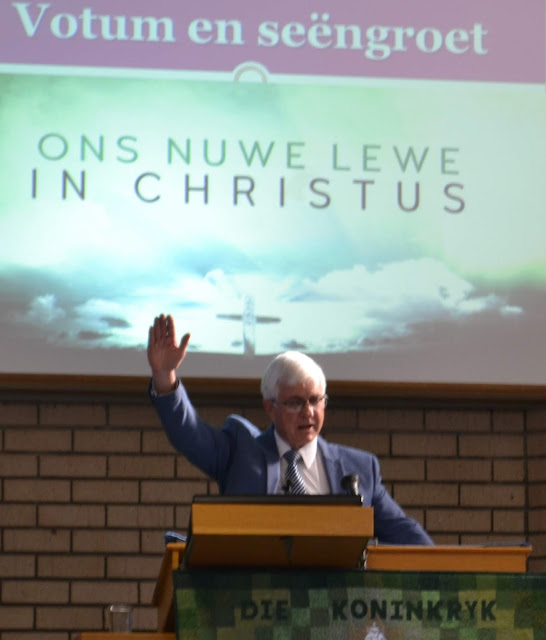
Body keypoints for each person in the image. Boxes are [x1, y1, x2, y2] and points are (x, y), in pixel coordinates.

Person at [147, 314, 433, 545]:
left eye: (315, 400)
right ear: (270, 407)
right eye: (296, 402)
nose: (308, 412)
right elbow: (190, 433)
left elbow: (409, 538)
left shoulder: (358, 468)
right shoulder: (241, 450)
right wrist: (164, 376)